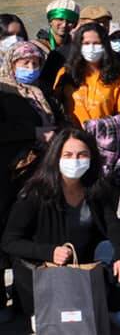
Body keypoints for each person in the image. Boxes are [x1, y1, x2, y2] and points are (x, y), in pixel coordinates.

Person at [1, 128, 120, 329]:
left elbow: (113, 226)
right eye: (68, 155)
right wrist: (49, 252)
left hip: (85, 260)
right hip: (47, 266)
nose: (75, 160)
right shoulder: (34, 194)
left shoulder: (97, 188)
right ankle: (41, 312)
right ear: (56, 157)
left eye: (82, 154)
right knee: (24, 264)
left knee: (114, 250)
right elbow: (10, 241)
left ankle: (112, 307)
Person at [1, 41, 63, 322]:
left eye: (35, 64)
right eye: (24, 64)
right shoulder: (3, 92)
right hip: (9, 174)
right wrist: (36, 132)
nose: (30, 69)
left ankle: (28, 300)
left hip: (38, 175)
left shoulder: (40, 92)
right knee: (8, 236)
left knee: (31, 237)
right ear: (11, 65)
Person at [55, 22, 120, 126]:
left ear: (105, 45)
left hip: (106, 138)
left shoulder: (118, 77)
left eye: (97, 43)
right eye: (86, 43)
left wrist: (100, 126)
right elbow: (55, 106)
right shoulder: (65, 73)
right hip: (73, 138)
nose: (91, 48)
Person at [37, 0, 80, 89]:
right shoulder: (37, 47)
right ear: (50, 21)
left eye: (69, 21)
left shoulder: (76, 48)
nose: (64, 25)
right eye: (60, 19)